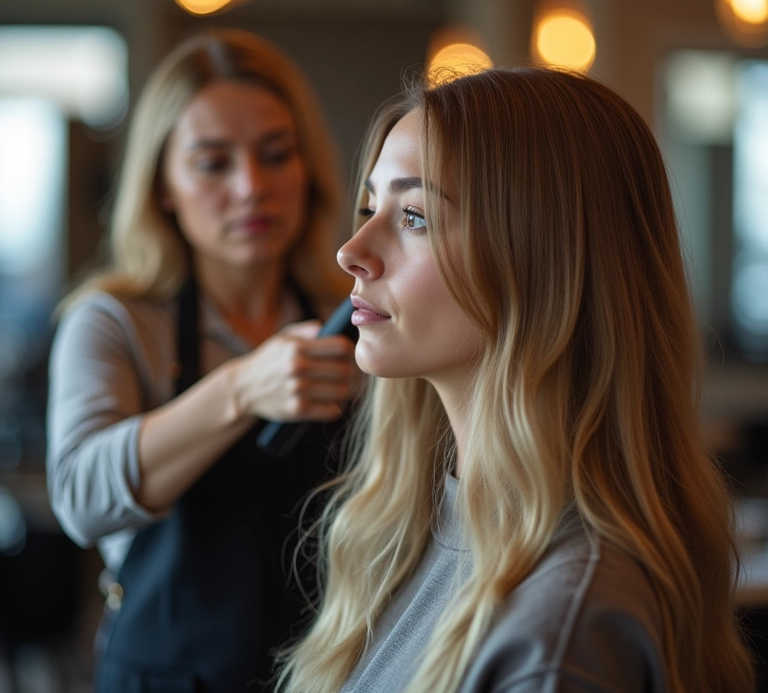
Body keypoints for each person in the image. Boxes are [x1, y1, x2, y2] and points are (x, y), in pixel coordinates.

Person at [277, 67, 755, 693]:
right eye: (371, 206)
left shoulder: (563, 634)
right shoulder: (421, 528)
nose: (352, 249)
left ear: (542, 263)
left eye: (415, 216)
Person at [46, 28, 358, 693]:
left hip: (331, 672)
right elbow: (80, 498)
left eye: (277, 155)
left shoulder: (351, 317)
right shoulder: (114, 321)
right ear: (163, 186)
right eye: (214, 163)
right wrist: (242, 388)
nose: (252, 187)